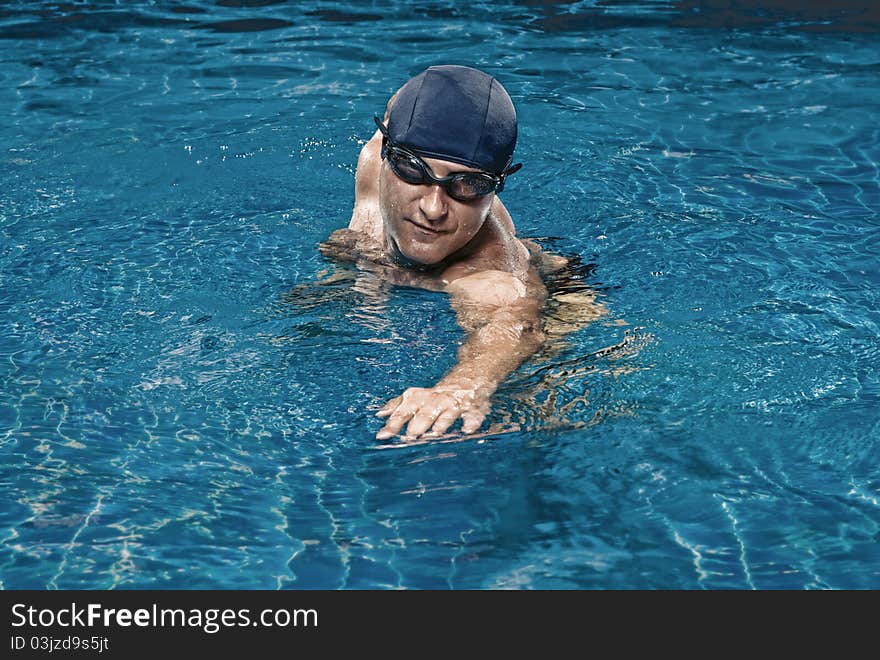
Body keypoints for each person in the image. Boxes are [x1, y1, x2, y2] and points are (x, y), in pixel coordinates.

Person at [321, 65, 566, 442]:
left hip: (562, 287)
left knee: (544, 406)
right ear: (387, 150)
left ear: (497, 188)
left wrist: (464, 385)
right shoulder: (374, 160)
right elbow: (400, 106)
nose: (433, 209)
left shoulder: (489, 273)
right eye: (413, 170)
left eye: (468, 185)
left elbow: (510, 323)